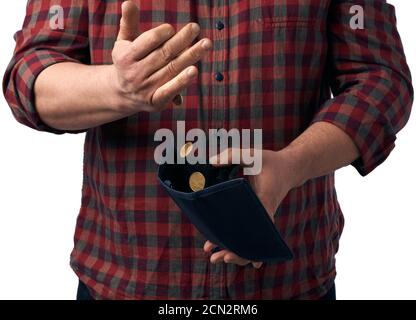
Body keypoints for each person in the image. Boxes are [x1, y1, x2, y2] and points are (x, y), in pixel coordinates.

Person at [3, 0, 413, 300]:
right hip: (125, 280)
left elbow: (380, 81)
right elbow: (30, 73)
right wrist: (117, 88)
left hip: (289, 282)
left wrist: (292, 165)